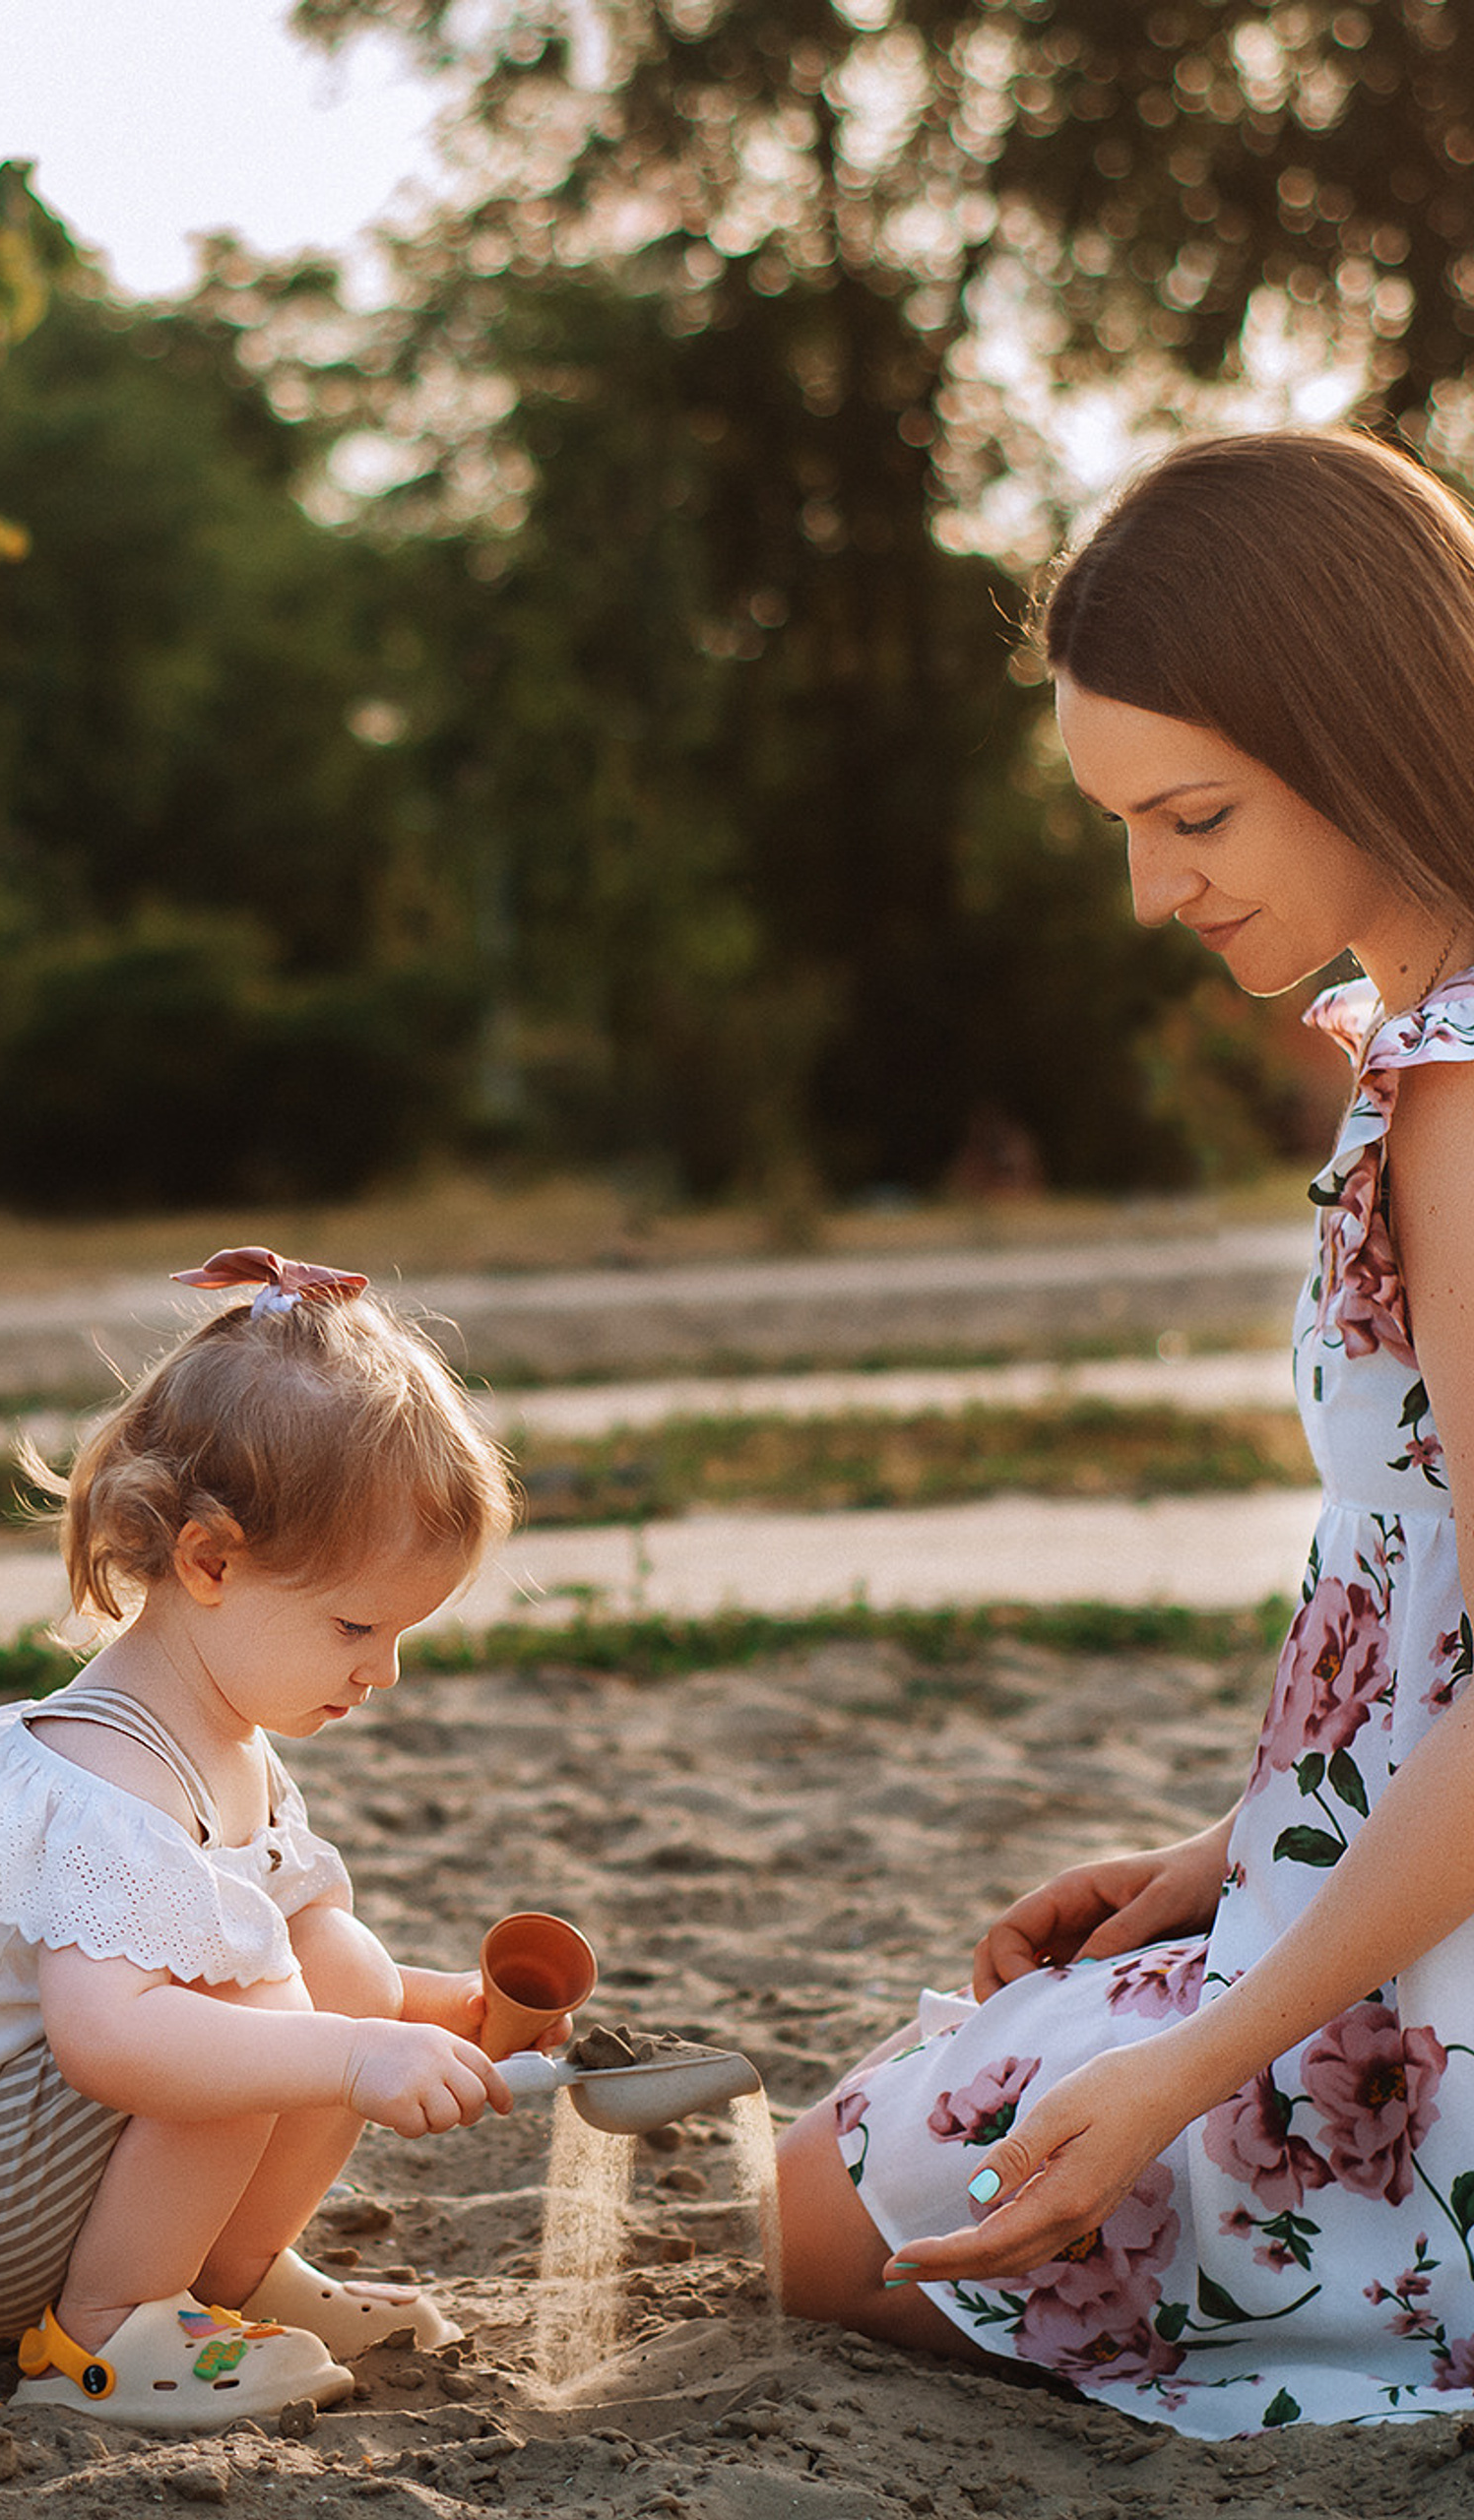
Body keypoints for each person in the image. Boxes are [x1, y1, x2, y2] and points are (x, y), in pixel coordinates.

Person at [777, 427, 1474, 2435]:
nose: (1153, 889)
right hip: (1384, 1879)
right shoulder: (1424, 1052)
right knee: (882, 2152)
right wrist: (1225, 1851)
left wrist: (1193, 2063)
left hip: (1433, 2015)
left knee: (825, 2211)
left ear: (1362, 730)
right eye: (1121, 823)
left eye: (1193, 816)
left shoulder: (1457, 1095)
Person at [0, 1247, 524, 2430]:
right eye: (355, 1624)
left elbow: (316, 1969)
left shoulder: (227, 1741)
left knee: (336, 1963)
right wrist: (353, 2057)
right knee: (259, 2007)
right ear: (208, 1561)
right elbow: (112, 2041)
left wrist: (446, 2013)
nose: (383, 1670)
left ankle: (221, 2279)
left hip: (20, 2152)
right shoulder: (107, 1774)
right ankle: (105, 2330)